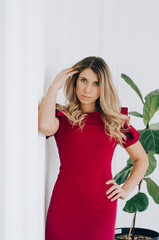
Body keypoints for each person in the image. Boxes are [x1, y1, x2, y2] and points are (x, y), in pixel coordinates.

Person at [38, 56, 149, 240]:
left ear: (103, 87)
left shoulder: (115, 121)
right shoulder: (64, 117)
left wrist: (126, 189)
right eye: (83, 80)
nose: (88, 89)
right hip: (64, 205)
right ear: (75, 81)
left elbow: (142, 159)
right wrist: (54, 86)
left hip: (101, 208)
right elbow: (43, 125)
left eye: (96, 83)